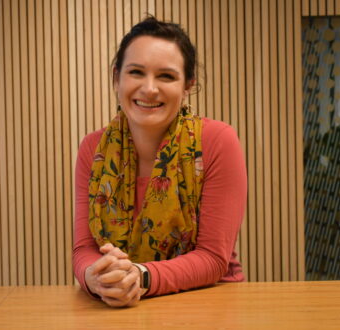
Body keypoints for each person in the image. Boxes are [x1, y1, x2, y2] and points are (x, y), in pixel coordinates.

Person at [73, 16, 247, 308]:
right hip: (115, 308)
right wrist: (94, 277)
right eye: (136, 72)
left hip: (209, 304)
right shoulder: (93, 148)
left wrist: (139, 277)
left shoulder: (218, 141)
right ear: (117, 78)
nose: (150, 88)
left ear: (188, 84)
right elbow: (84, 249)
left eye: (166, 76)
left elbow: (213, 257)